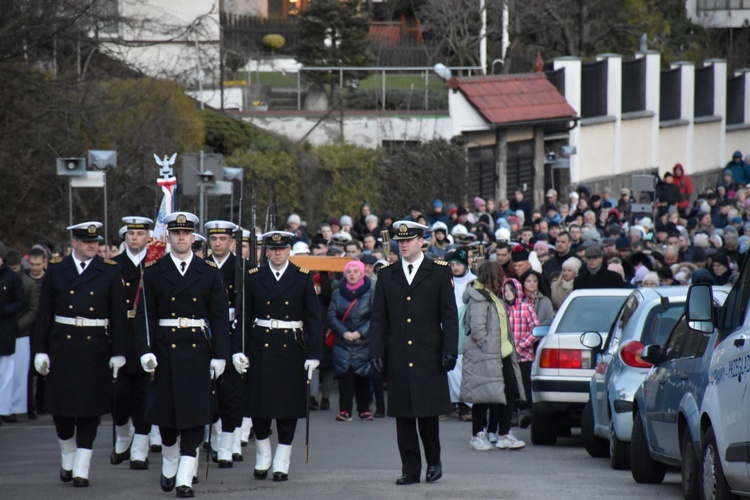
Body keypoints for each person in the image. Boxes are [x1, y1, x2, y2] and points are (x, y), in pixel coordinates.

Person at [134, 212, 230, 498]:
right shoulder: (153, 272)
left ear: (193, 238)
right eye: (175, 233)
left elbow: (220, 317)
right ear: (168, 237)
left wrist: (221, 356)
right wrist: (145, 351)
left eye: (186, 233)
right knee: (167, 418)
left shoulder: (209, 272)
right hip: (165, 349)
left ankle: (185, 477)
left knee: (194, 415)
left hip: (198, 350)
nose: (181, 238)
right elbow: (144, 317)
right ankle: (170, 463)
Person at [33, 221, 126, 487]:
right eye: (86, 241)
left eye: (95, 242)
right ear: (74, 243)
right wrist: (41, 350)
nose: (92, 246)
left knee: (89, 410)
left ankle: (82, 467)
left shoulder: (108, 271)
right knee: (61, 410)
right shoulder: (58, 271)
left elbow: (119, 316)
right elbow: (44, 315)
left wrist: (119, 352)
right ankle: (68, 455)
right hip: (62, 346)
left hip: (95, 347)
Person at [369, 220, 458, 485]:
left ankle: (434, 462)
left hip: (428, 353)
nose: (404, 244)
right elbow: (379, 318)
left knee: (428, 414)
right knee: (404, 416)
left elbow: (449, 317)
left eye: (409, 240)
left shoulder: (439, 271)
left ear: (422, 242)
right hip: (398, 353)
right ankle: (410, 469)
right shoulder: (388, 274)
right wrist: (376, 350)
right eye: (400, 241)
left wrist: (449, 350)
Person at [232, 230, 322, 482]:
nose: (278, 253)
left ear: (289, 250)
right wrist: (238, 349)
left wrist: (314, 354)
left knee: (287, 409)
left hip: (290, 349)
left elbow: (314, 320)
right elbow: (244, 317)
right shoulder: (254, 277)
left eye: (282, 248)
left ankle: (282, 459)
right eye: (272, 249)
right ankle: (263, 455)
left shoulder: (302, 277)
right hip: (260, 346)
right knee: (258, 408)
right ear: (266, 251)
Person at [461, 261, 525, 451]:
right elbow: (477, 329)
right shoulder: (479, 298)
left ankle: (504, 433)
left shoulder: (493, 296)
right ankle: (478, 434)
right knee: (483, 394)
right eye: (500, 274)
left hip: (502, 353)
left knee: (508, 390)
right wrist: (488, 346)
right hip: (487, 354)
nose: (503, 278)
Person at [110, 216, 154, 470]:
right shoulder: (113, 265)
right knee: (119, 394)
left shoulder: (156, 265)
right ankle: (123, 434)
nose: (135, 237)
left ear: (148, 236)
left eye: (140, 234)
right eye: (131, 234)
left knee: (144, 395)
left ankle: (140, 447)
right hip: (121, 336)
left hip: (145, 336)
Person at [204, 220, 245, 468]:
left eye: (223, 239)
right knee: (210, 395)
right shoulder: (201, 267)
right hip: (207, 336)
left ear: (232, 241)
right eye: (214, 239)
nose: (218, 244)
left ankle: (227, 446)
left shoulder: (243, 269)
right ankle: (216, 437)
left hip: (233, 335)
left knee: (231, 394)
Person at [329, 260, 375, 421]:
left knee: (363, 376)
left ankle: (364, 409)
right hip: (343, 341)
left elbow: (375, 316)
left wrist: (360, 333)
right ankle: (345, 410)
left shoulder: (371, 291)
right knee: (345, 376)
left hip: (364, 341)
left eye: (356, 271)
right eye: (349, 272)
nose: (352, 274)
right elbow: (332, 315)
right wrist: (344, 333)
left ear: (362, 274)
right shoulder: (337, 293)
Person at [502, 277, 538, 435]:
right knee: (509, 385)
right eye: (506, 291)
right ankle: (512, 412)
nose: (508, 294)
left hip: (523, 355)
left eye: (511, 290)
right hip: (507, 355)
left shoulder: (525, 308)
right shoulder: (503, 309)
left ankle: (526, 411)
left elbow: (536, 330)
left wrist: (522, 344)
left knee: (524, 384)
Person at [0, 248, 26, 422]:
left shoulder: (12, 277)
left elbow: (21, 302)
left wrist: (4, 311)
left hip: (5, 331)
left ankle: (3, 409)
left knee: (6, 374)